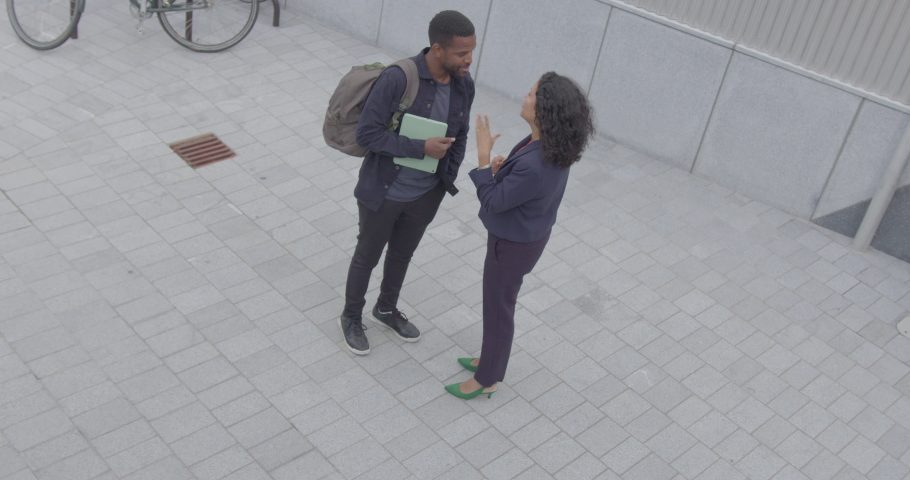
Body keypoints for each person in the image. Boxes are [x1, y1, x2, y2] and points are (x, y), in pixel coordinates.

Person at [446, 72, 595, 398]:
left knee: (498, 309)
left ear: (544, 110)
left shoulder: (537, 161)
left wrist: (484, 160)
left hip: (511, 245)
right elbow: (521, 188)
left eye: (530, 94)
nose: (524, 97)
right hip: (526, 237)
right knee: (498, 305)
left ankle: (487, 379)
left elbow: (493, 201)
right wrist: (503, 172)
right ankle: (490, 360)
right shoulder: (547, 146)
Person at [339, 11, 477, 355]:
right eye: (462, 53)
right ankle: (351, 317)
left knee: (402, 255)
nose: (469, 60)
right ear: (438, 49)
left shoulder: (464, 84)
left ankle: (386, 308)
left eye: (472, 51)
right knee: (366, 256)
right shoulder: (399, 78)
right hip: (384, 191)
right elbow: (367, 134)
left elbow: (460, 134)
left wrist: (447, 177)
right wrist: (421, 148)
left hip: (426, 193)